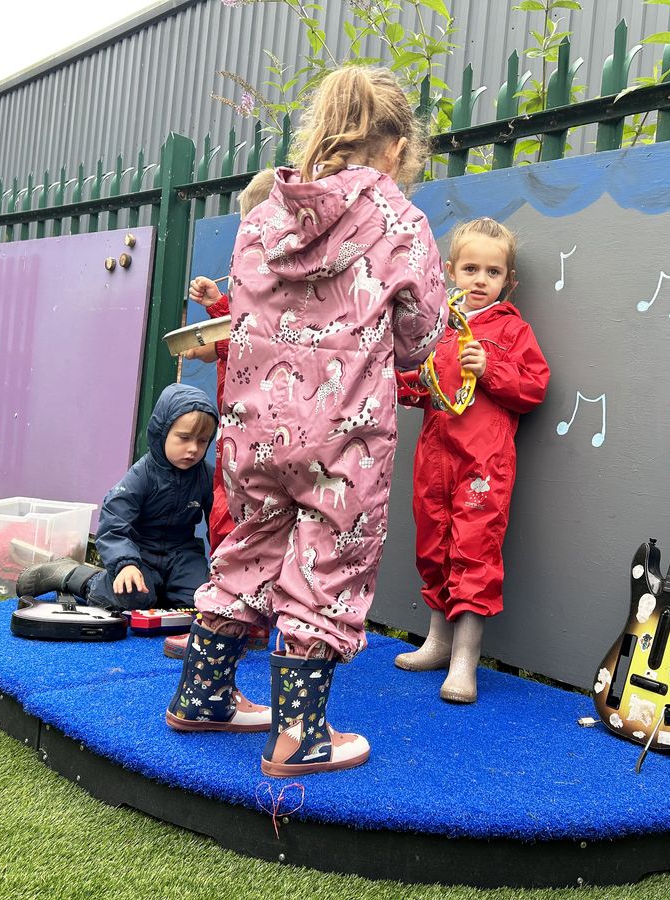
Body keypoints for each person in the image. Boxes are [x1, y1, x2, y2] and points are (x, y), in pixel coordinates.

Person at [164, 65, 448, 776]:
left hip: (255, 423)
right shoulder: (400, 224)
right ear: (396, 149)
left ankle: (202, 696)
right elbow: (421, 337)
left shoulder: (262, 218)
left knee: (248, 552)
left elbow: (245, 310)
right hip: (343, 434)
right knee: (327, 569)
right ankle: (299, 737)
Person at [394, 217, 550, 703]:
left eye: (492, 272)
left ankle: (466, 658)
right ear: (448, 272)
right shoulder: (437, 328)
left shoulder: (512, 330)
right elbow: (419, 388)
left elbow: (534, 388)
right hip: (434, 459)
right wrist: (399, 377)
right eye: (470, 269)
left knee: (474, 549)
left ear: (509, 281)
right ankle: (438, 641)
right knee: (432, 544)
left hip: (483, 463)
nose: (480, 280)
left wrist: (492, 367)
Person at [161, 168, 276, 660]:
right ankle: (232, 620)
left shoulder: (289, 278)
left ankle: (242, 622)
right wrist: (216, 305)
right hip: (238, 422)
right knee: (229, 517)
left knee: (251, 520)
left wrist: (220, 318)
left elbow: (259, 335)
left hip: (267, 424)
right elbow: (233, 336)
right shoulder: (251, 276)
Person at [15, 383, 217, 612]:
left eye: (202, 441)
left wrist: (227, 570)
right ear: (162, 432)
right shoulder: (142, 475)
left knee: (203, 603)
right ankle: (76, 575)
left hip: (183, 554)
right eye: (184, 438)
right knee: (128, 599)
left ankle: (161, 592)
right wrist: (126, 563)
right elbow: (114, 524)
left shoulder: (207, 476)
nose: (193, 448)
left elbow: (220, 524)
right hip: (140, 553)